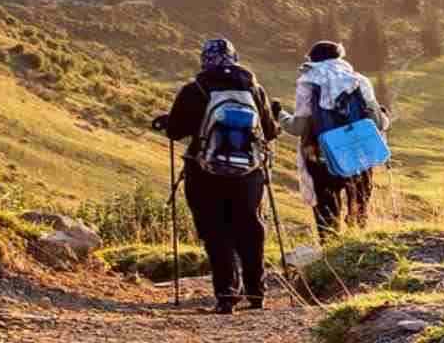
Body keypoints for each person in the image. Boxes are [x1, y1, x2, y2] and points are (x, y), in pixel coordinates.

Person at [153, 39, 277, 314]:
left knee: (215, 230)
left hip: (204, 171)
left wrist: (166, 121)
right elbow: (269, 132)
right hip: (249, 173)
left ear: (205, 60)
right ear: (234, 58)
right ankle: (256, 294)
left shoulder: (194, 89)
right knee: (250, 228)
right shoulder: (254, 88)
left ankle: (226, 296)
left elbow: (174, 131)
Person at [276, 41, 388, 241]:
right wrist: (383, 114)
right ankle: (359, 246)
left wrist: (279, 114)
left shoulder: (308, 82)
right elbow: (378, 123)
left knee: (327, 212)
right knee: (359, 206)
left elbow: (298, 128)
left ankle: (329, 250)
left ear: (312, 60)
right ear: (339, 57)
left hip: (321, 156)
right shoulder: (359, 80)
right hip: (358, 152)